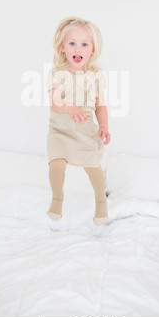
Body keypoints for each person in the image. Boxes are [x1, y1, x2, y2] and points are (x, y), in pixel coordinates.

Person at [46, 16, 111, 226]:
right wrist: (69, 108)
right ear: (63, 47)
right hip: (60, 130)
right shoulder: (57, 74)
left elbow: (101, 106)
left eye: (84, 44)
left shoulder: (96, 76)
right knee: (56, 165)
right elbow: (55, 103)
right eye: (72, 43)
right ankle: (57, 201)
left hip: (84, 131)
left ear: (92, 50)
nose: (78, 48)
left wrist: (104, 127)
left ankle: (101, 205)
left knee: (94, 167)